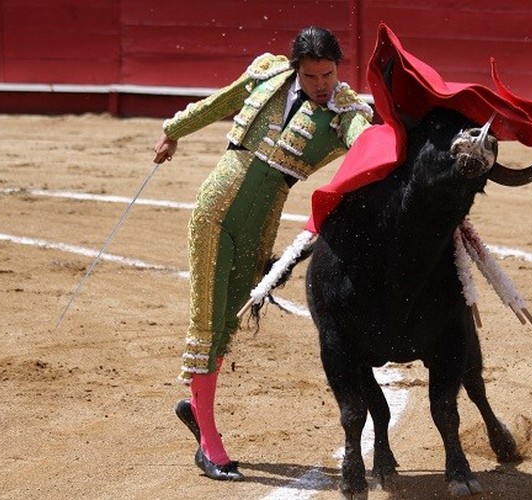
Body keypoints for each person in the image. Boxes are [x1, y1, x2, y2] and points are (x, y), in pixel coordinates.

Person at [152, 26, 373, 481]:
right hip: (215, 206)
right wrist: (172, 132)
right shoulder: (267, 73)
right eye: (311, 76)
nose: (321, 85)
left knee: (229, 319)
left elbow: (365, 144)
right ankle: (209, 445)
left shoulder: (346, 111)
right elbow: (218, 103)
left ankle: (197, 408)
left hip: (262, 223)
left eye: (328, 74)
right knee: (207, 321)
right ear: (296, 68)